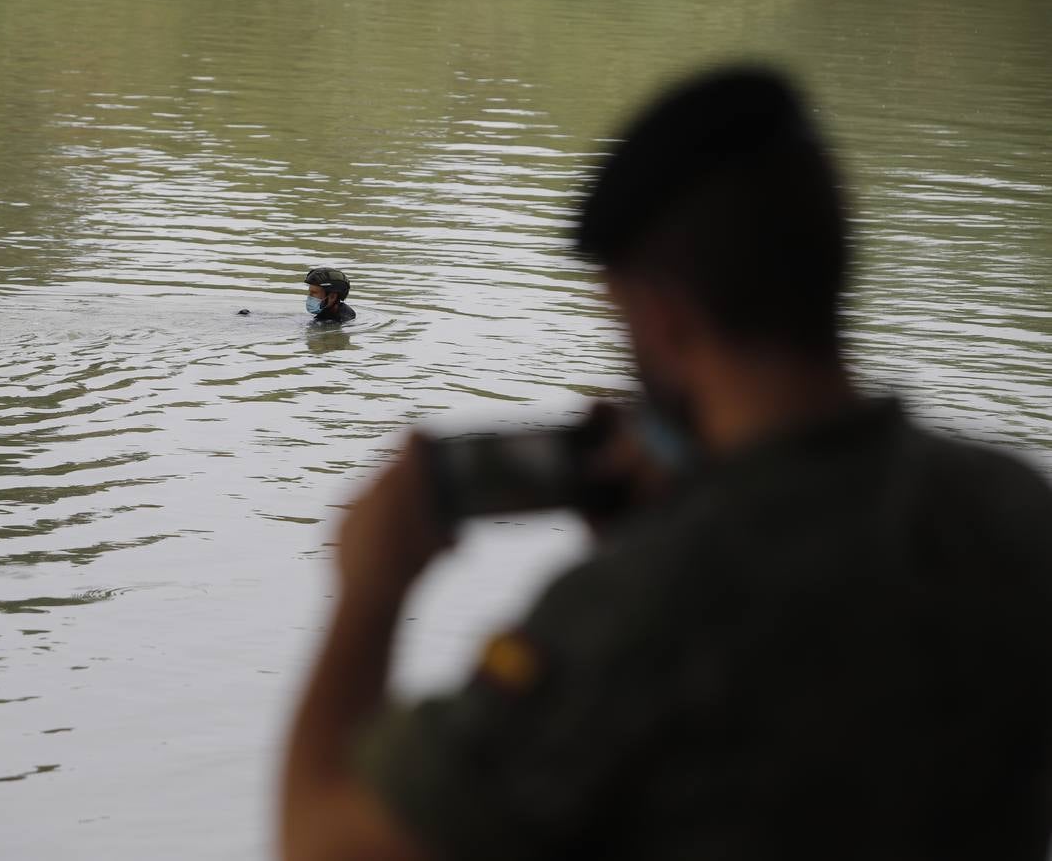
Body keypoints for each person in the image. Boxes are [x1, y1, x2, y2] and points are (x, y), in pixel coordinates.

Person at [280, 67, 1052, 861]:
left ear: (663, 314)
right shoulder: (1016, 511)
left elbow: (324, 844)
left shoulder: (635, 613)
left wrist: (371, 593)